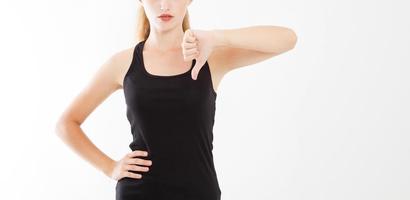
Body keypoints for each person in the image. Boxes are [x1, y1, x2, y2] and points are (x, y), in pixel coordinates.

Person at [54, 0, 297, 199]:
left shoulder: (210, 57)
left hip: (198, 193)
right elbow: (66, 123)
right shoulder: (122, 64)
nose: (164, 5)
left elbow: (287, 39)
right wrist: (110, 167)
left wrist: (217, 37)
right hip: (139, 193)